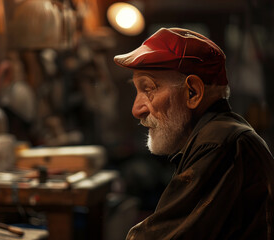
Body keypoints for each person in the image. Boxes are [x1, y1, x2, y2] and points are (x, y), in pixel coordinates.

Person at [114, 27, 274, 240]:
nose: (137, 109)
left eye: (149, 89)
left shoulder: (219, 143)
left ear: (193, 92)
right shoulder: (220, 135)